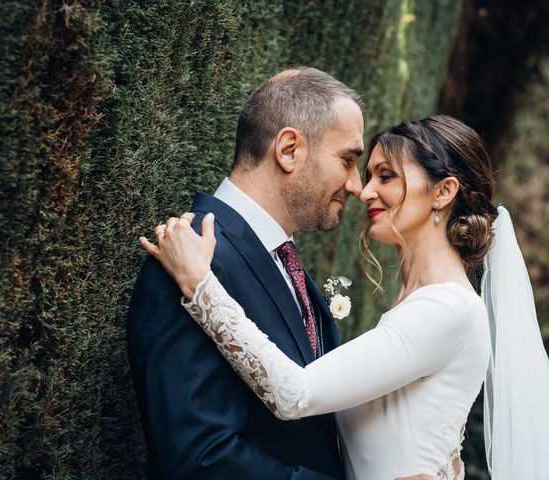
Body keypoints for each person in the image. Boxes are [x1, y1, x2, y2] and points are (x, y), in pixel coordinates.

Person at [140, 115, 549, 479]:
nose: (365, 191)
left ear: (443, 192)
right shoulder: (420, 303)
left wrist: (200, 286)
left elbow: (294, 394)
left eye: (386, 176)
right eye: (367, 174)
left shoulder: (449, 310)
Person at [127, 67, 365, 479]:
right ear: (289, 149)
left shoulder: (279, 260)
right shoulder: (195, 261)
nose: (357, 185)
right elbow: (198, 457)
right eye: (347, 160)